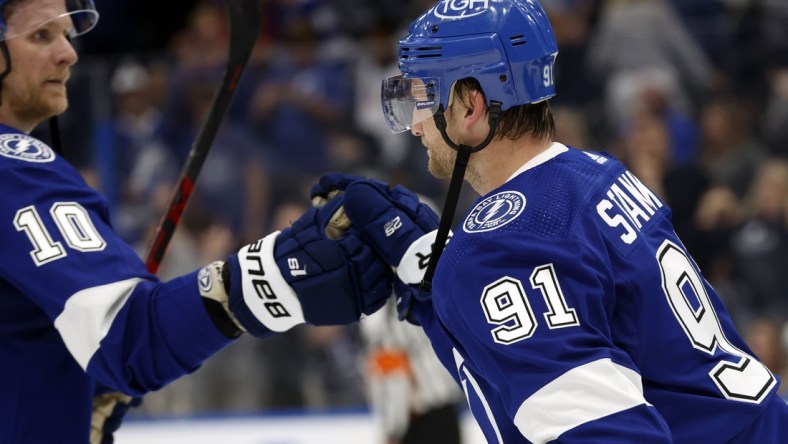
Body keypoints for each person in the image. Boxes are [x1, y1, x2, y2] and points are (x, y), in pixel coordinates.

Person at [311, 0, 788, 442]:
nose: (414, 125)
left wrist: (458, 282)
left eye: (420, 97)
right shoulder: (597, 174)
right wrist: (433, 294)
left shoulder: (503, 249)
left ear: (471, 105)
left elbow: (609, 437)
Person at [0, 1, 394, 442]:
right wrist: (277, 269)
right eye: (41, 36)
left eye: (68, 36)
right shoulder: (14, 168)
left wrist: (71, 399)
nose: (69, 53)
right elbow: (133, 339)